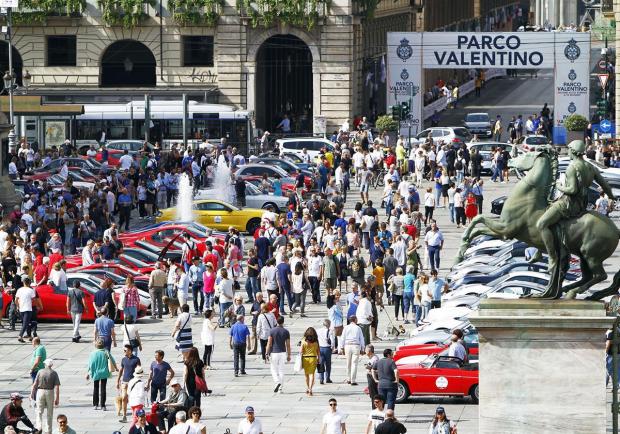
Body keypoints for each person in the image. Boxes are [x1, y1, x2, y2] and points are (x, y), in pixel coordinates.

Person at [536, 140, 615, 295]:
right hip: (582, 204)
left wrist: (559, 186)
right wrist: (612, 196)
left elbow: (571, 189)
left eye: (569, 150)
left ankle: (552, 258)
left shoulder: (573, 167)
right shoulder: (590, 166)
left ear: (572, 151)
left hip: (568, 203)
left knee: (542, 223)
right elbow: (605, 185)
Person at [31, 358, 60, 434]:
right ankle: (48, 430)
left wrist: (31, 394)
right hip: (50, 392)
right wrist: (57, 398)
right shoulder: (54, 373)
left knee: (39, 411)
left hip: (40, 391)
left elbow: (35, 384)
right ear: (51, 365)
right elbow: (57, 386)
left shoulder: (40, 371)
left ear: (45, 364)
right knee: (50, 412)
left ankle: (39, 427)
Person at [87, 338, 116, 411]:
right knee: (103, 388)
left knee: (95, 388)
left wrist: (88, 372)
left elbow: (91, 364)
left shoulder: (93, 353)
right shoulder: (106, 352)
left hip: (96, 373)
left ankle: (95, 404)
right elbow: (112, 360)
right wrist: (116, 368)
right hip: (104, 372)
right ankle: (103, 405)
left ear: (96, 345)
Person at [117, 344, 142, 423]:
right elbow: (121, 370)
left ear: (130, 351)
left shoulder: (136, 359)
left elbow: (139, 370)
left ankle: (133, 415)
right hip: (124, 381)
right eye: (124, 350)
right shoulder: (123, 359)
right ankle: (124, 416)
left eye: (125, 350)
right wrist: (118, 380)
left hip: (133, 382)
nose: (124, 351)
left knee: (132, 399)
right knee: (124, 397)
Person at [266, 316, 291, 393]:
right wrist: (289, 355)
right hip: (283, 352)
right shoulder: (286, 331)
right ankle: (280, 389)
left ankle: (277, 382)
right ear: (283, 322)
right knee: (281, 370)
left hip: (274, 352)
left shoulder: (272, 331)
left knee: (273, 369)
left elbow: (269, 343)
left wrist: (267, 353)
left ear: (277, 321)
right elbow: (288, 345)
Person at [338, 315, 365, 385]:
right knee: (354, 364)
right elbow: (361, 338)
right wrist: (363, 348)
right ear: (355, 320)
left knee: (348, 363)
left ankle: (348, 379)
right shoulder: (358, 328)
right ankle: (353, 380)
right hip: (356, 346)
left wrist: (341, 347)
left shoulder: (346, 327)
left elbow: (342, 338)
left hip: (347, 346)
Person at [15, 277, 36, 342]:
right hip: (28, 309)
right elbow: (34, 300)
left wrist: (18, 307)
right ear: (29, 283)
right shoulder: (31, 290)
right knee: (25, 323)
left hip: (21, 309)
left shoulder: (19, 290)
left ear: (23, 283)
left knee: (27, 323)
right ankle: (20, 336)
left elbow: (16, 300)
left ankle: (30, 336)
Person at [301, 327, 320, 395]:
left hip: (305, 359)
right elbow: (318, 351)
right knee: (312, 374)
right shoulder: (316, 341)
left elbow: (301, 351)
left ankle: (308, 387)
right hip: (313, 358)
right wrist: (319, 358)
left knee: (306, 375)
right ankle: (310, 389)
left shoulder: (304, 340)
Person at [317, 319, 335, 384]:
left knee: (320, 364)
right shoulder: (330, 331)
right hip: (327, 348)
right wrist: (333, 348)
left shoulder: (318, 331)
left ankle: (321, 379)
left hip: (320, 348)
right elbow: (332, 341)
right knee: (328, 364)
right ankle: (327, 378)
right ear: (329, 325)